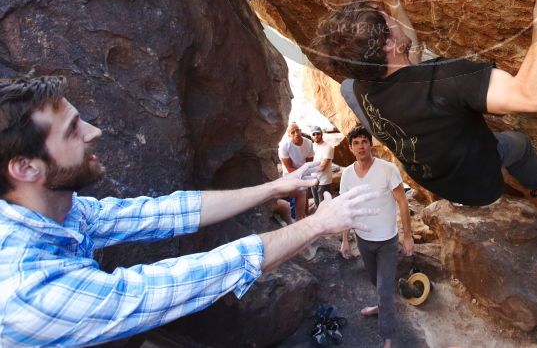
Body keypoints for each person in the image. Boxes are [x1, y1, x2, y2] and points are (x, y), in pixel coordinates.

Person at [0, 75, 379, 346]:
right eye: (71, 130)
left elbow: (166, 213)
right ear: (26, 168)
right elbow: (170, 286)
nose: (93, 131)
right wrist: (317, 224)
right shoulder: (25, 290)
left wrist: (274, 187)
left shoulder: (60, 213)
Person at [312, 0, 537, 206]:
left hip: (433, 174)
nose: (390, 16)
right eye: (387, 19)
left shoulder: (360, 84)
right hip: (479, 186)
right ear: (389, 44)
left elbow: (409, 53)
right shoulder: (446, 81)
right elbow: (534, 96)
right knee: (518, 143)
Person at [339, 126, 413, 348]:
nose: (361, 146)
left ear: (370, 144)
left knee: (384, 289)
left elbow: (402, 201)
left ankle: (387, 335)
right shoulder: (347, 175)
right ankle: (381, 306)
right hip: (363, 239)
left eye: (364, 141)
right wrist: (345, 239)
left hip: (387, 241)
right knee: (375, 280)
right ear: (351, 148)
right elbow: (345, 207)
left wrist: (407, 236)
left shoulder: (387, 169)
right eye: (356, 143)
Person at [278, 122, 314, 219]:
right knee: (295, 198)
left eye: (297, 130)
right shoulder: (284, 146)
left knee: (304, 195)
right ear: (289, 135)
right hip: (290, 175)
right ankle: (295, 220)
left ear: (300, 130)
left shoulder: (308, 143)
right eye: (293, 132)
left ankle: (303, 216)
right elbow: (289, 168)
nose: (296, 133)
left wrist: (306, 175)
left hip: (304, 173)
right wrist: (303, 174)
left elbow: (309, 163)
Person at [309, 125, 335, 207]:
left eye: (318, 133)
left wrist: (307, 170)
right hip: (313, 180)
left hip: (324, 182)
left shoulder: (328, 147)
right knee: (317, 206)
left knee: (325, 207)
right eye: (314, 134)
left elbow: (323, 167)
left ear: (321, 134)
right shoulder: (311, 146)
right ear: (311, 136)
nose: (316, 136)